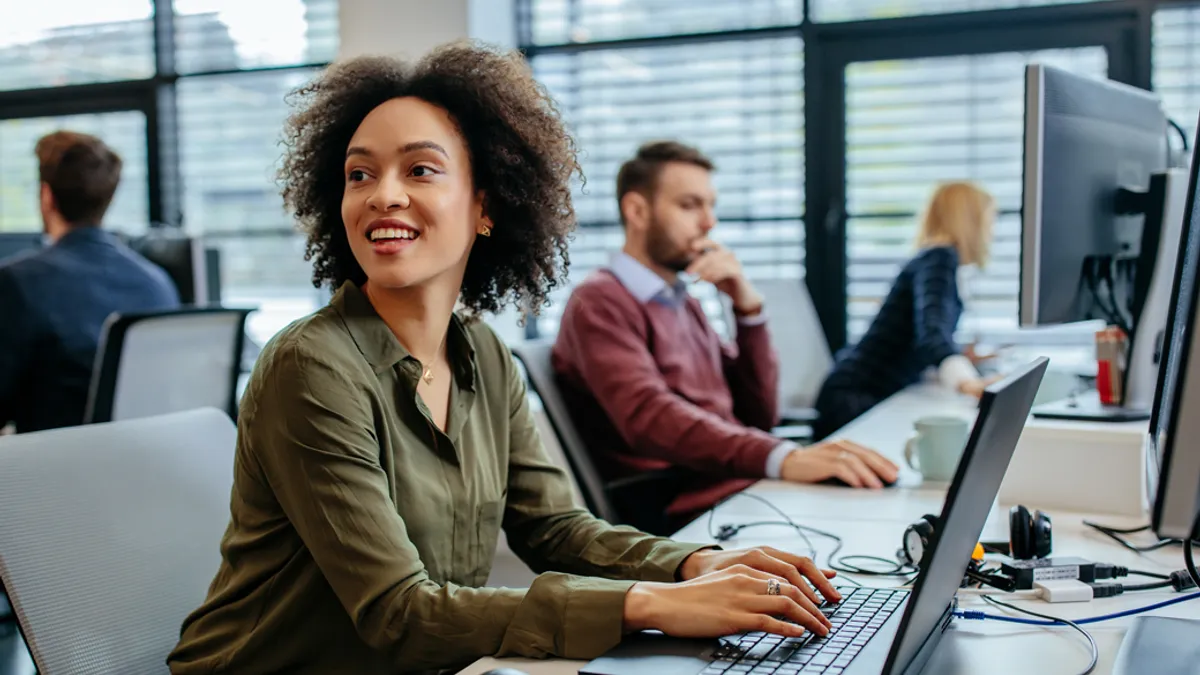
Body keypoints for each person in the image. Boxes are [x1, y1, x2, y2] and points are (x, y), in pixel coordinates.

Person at [167, 42, 847, 675]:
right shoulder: (310, 365)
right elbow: (399, 611)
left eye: (421, 169)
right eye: (359, 173)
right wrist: (648, 601)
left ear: (485, 204)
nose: (383, 193)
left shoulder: (483, 353)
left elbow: (553, 525)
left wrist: (697, 561)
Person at [552, 141, 898, 527]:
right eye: (689, 205)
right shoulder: (599, 301)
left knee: (878, 501)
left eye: (710, 205)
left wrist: (748, 312)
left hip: (734, 488)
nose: (709, 223)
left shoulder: (684, 302)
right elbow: (651, 417)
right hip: (683, 504)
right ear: (637, 211)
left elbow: (757, 415)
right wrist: (783, 457)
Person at [0, 131, 180, 433]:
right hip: (142, 462)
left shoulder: (17, 283)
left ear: (46, 197)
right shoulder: (157, 282)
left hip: (47, 469)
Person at [812, 181, 998, 440]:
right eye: (989, 220)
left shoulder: (933, 259)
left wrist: (960, 357)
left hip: (864, 391)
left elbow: (919, 336)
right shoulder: (940, 259)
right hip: (854, 397)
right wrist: (968, 383)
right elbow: (932, 334)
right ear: (970, 221)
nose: (991, 232)